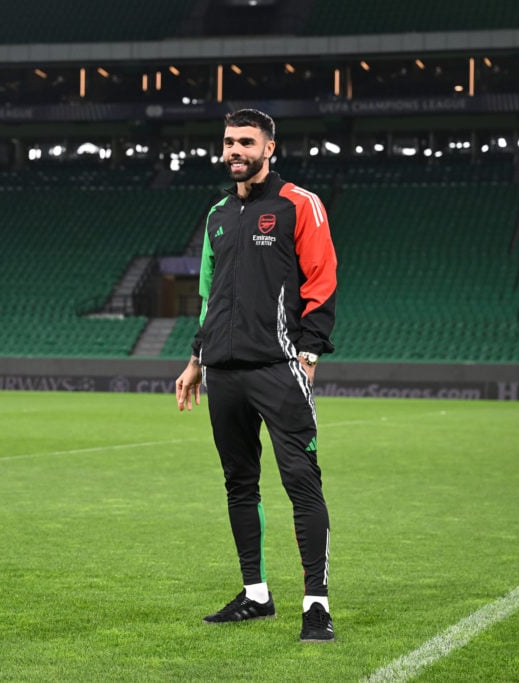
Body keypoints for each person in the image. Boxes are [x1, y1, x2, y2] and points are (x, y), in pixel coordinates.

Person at [175, 108, 338, 642]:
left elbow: (322, 281)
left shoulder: (300, 205)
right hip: (223, 371)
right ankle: (256, 594)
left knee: (301, 484)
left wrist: (308, 356)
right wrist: (197, 359)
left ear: (270, 147)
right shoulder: (217, 215)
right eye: (228, 142)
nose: (234, 151)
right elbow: (209, 296)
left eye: (246, 142)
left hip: (279, 367)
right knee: (239, 484)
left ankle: (316, 604)